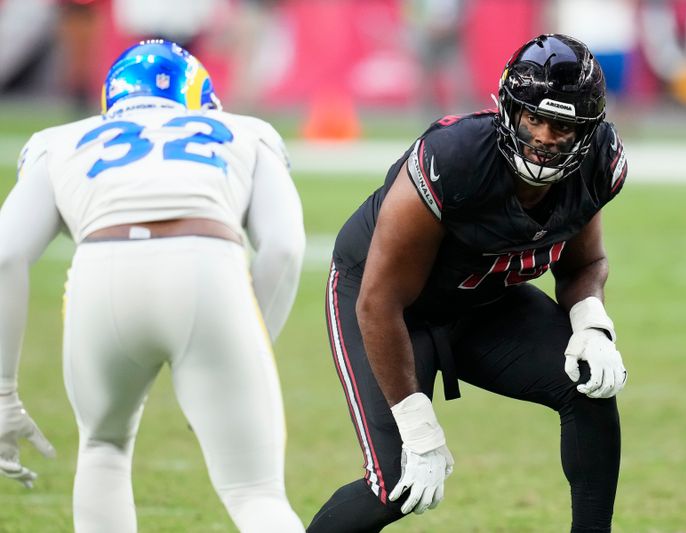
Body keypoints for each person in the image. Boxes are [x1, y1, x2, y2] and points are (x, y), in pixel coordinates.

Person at [307, 34, 628, 532]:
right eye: (534, 119)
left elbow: (583, 263)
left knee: (588, 388)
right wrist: (417, 427)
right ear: (508, 111)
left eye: (561, 125)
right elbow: (379, 301)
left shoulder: (596, 164)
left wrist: (590, 323)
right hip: (389, 305)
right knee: (395, 483)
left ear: (586, 130)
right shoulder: (453, 159)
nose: (544, 135)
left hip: (481, 299)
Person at [0, 40, 305, 532]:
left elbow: (6, 255)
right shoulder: (246, 131)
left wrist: (4, 393)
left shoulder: (61, 139)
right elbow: (285, 248)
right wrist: (252, 345)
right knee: (255, 493)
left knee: (103, 448)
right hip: (207, 264)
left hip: (100, 272)